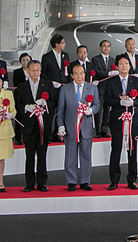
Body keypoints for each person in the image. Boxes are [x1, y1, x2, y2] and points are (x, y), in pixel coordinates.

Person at [15, 59, 57, 192]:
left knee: (42, 155)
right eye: (33, 70)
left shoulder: (47, 83)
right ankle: (29, 183)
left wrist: (45, 104)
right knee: (29, 156)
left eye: (38, 70)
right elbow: (17, 105)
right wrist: (26, 107)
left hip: (43, 126)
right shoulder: (21, 87)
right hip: (28, 126)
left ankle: (42, 182)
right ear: (27, 71)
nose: (36, 73)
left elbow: (53, 101)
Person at [104, 54, 138, 190]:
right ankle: (114, 180)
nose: (124, 66)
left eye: (126, 63)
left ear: (129, 66)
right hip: (117, 121)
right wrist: (119, 102)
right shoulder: (111, 81)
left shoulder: (136, 81)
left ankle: (131, 179)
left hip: (132, 121)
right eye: (121, 63)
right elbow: (107, 99)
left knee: (132, 151)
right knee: (116, 150)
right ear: (116, 66)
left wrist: (133, 102)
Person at [59, 62, 101, 191]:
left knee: (86, 155)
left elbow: (97, 104)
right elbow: (60, 110)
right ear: (71, 75)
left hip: (86, 127)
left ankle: (85, 181)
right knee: (70, 156)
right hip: (70, 127)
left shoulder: (92, 88)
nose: (79, 76)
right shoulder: (65, 89)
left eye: (82, 73)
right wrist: (60, 125)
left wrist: (91, 110)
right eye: (76, 73)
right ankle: (71, 181)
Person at [90, 39, 114, 137]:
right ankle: (97, 130)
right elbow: (96, 72)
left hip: (110, 89)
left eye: (108, 46)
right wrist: (108, 73)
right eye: (104, 46)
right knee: (98, 110)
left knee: (107, 110)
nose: (106, 48)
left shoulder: (113, 60)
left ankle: (105, 129)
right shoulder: (95, 59)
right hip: (100, 88)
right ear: (100, 47)